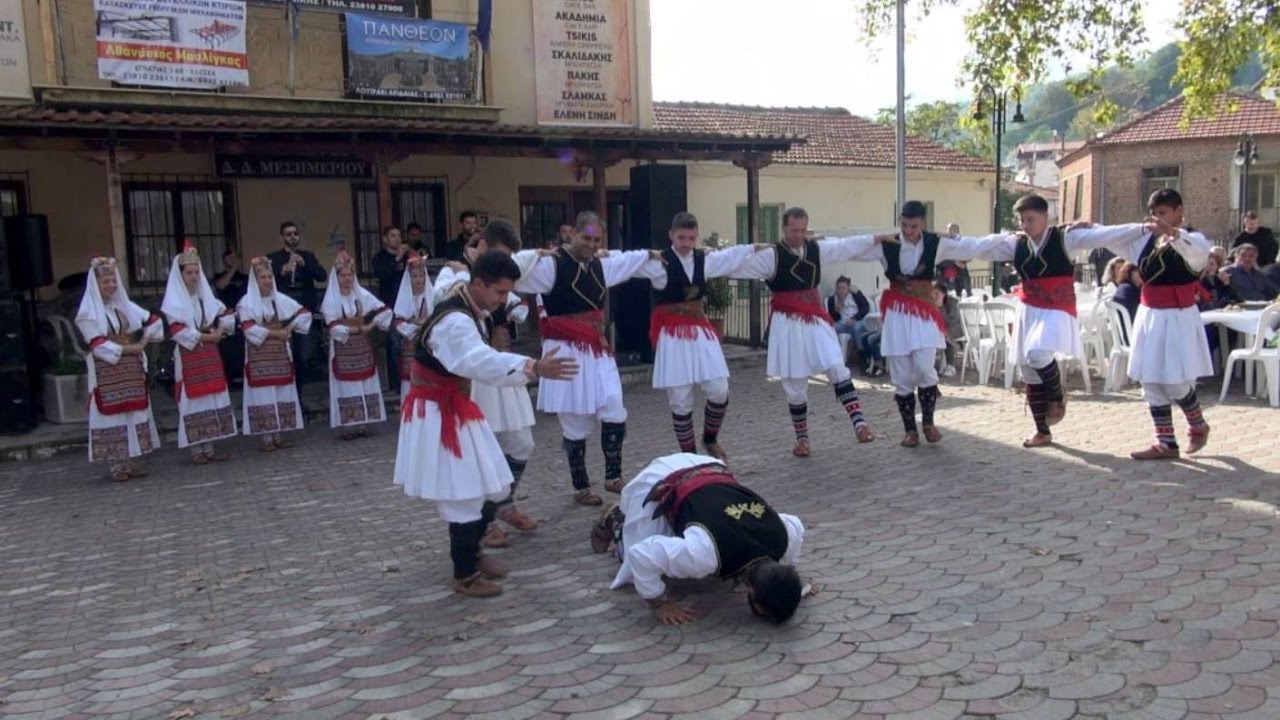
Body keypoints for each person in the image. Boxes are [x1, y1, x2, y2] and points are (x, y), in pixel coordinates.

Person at [394, 250, 579, 597]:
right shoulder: (455, 321)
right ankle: (464, 573)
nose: (503, 300)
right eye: (499, 292)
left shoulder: (468, 306)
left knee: (494, 483)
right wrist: (532, 367)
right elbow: (476, 359)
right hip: (438, 411)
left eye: (508, 292)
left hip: (455, 405)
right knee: (464, 491)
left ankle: (474, 553)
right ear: (478, 283)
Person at [944, 195, 1153, 447]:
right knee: (1028, 369)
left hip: (1057, 306)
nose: (1026, 225)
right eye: (1022, 220)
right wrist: (950, 241)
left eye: (1031, 219)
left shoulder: (1065, 237)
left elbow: (1105, 236)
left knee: (1037, 353)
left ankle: (1057, 393)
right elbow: (980, 246)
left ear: (1046, 217)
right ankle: (1042, 431)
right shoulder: (1016, 243)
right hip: (1029, 307)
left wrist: (1143, 228)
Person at [514, 211, 662, 506]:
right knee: (574, 422)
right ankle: (581, 486)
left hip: (597, 349)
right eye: (586, 238)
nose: (592, 245)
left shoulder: (601, 264)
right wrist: (530, 254)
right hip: (564, 351)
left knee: (614, 405)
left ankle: (613, 476)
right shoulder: (552, 264)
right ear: (572, 233)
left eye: (597, 240)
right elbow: (511, 271)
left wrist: (651, 254)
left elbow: (629, 260)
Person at [727, 207, 878, 457]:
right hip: (787, 323)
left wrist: (875, 238)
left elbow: (845, 246)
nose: (798, 235)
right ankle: (802, 439)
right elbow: (736, 266)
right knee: (794, 382)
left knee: (836, 366)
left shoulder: (816, 249)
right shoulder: (771, 256)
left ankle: (860, 424)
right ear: (783, 228)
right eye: (793, 230)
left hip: (816, 318)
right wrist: (702, 259)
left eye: (802, 230)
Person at [593, 453, 809, 625]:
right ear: (751, 592)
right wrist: (659, 603)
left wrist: (787, 578)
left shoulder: (783, 538)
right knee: (631, 559)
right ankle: (614, 517)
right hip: (662, 478)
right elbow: (641, 554)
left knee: (687, 538)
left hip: (709, 467)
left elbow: (796, 524)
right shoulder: (705, 553)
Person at [432, 219, 541, 548]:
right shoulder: (454, 273)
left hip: (502, 366)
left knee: (521, 443)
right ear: (481, 245)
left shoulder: (500, 276)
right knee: (481, 449)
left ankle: (502, 503)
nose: (504, 261)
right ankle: (484, 518)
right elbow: (441, 297)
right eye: (500, 254)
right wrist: (461, 277)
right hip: (474, 375)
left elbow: (530, 266)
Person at [636, 212, 764, 460]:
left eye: (691, 238)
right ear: (671, 235)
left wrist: (757, 247)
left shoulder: (704, 259)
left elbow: (732, 256)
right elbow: (624, 265)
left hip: (700, 330)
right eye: (681, 237)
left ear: (697, 237)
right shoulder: (658, 262)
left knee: (719, 389)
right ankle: (690, 457)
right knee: (680, 398)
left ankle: (710, 438)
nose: (686, 243)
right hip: (672, 335)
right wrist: (601, 255)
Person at [1116, 190, 1215, 460]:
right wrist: (1088, 228)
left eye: (1163, 213)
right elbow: (1115, 236)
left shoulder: (1193, 240)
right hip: (1150, 315)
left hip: (1177, 316)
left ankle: (1197, 424)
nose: (1158, 219)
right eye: (1154, 213)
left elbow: (1199, 252)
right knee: (1150, 380)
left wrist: (1174, 233)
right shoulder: (1149, 240)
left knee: (1175, 382)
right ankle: (1166, 442)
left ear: (1179, 211)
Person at [75, 257, 164, 482]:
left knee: (132, 412)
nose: (111, 285)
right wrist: (131, 348)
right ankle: (117, 465)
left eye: (114, 281)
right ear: (96, 284)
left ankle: (132, 461)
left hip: (130, 367)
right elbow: (97, 345)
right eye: (106, 282)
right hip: (105, 369)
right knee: (112, 414)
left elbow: (154, 320)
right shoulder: (87, 314)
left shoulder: (122, 306)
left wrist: (143, 341)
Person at [161, 242, 239, 463]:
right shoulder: (173, 303)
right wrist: (210, 337)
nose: (194, 277)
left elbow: (228, 313)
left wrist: (220, 331)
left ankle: (210, 448)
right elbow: (178, 332)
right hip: (189, 355)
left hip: (209, 354)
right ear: (180, 275)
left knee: (210, 397)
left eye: (196, 272)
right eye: (189, 273)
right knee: (192, 400)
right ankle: (197, 450)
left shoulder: (206, 299)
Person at [237, 257, 312, 451]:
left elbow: (304, 313)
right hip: (259, 357)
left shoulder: (279, 299)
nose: (267, 281)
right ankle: (266, 438)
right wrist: (276, 333)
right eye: (263, 277)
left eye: (269, 277)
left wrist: (289, 328)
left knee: (280, 391)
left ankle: (278, 435)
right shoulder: (246, 303)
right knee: (263, 395)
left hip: (279, 355)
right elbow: (248, 328)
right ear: (255, 280)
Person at [321, 251, 393, 439]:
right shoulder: (331, 299)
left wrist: (371, 325)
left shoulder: (361, 295)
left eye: (350, 274)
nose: (347, 278)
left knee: (365, 382)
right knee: (347, 384)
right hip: (343, 348)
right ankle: (349, 425)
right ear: (336, 278)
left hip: (362, 347)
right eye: (343, 275)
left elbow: (385, 310)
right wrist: (357, 329)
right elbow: (333, 327)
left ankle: (363, 423)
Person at [267, 221, 327, 391]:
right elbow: (264, 282)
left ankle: (298, 394)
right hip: (282, 313)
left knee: (302, 355)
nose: (292, 237)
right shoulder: (273, 258)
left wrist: (305, 265)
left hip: (304, 310)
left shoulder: (307, 256)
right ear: (282, 237)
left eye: (295, 233)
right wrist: (281, 272)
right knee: (283, 355)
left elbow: (322, 276)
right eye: (288, 234)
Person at [372, 225, 410, 390]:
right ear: (385, 239)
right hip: (391, 306)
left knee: (409, 343)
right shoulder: (380, 258)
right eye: (393, 236)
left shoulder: (407, 257)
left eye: (399, 235)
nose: (397, 239)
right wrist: (397, 258)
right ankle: (396, 385)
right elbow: (382, 274)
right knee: (394, 345)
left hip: (408, 305)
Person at [391, 253, 433, 401]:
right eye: (414, 276)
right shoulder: (404, 298)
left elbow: (437, 319)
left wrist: (420, 323)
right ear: (409, 278)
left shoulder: (432, 295)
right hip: (411, 344)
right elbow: (399, 322)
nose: (418, 279)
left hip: (429, 343)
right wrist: (414, 328)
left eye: (421, 276)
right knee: (410, 379)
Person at [212, 248, 249, 384]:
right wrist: (233, 268)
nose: (232, 260)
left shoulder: (245, 278)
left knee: (242, 346)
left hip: (242, 316)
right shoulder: (219, 276)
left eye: (235, 258)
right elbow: (220, 286)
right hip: (226, 317)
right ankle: (229, 377)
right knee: (227, 348)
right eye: (229, 258)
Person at [932, 281, 964, 377]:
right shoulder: (931, 302)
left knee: (946, 334)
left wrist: (941, 308)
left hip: (955, 328)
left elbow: (952, 320)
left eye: (937, 294)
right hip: (939, 329)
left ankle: (951, 366)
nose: (934, 296)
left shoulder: (952, 302)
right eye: (933, 294)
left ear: (944, 294)